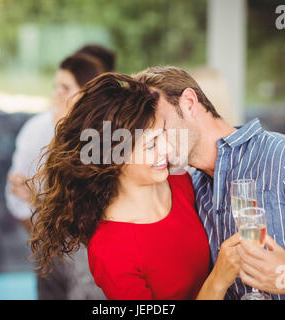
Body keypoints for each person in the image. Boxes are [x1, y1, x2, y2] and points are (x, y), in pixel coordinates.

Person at [133, 66, 285, 300]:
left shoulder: (284, 156)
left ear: (189, 103)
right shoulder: (191, 187)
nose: (154, 142)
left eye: (160, 125)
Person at [29, 73, 242, 300]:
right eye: (151, 144)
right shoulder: (109, 249)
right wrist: (219, 280)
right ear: (113, 157)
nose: (166, 149)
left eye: (162, 134)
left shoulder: (180, 182)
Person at [5, 53, 106, 299]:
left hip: (90, 259)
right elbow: (20, 202)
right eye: (55, 87)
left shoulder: (106, 136)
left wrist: (64, 128)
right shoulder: (36, 129)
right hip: (50, 252)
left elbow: (84, 203)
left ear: (87, 94)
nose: (56, 95)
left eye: (65, 88)